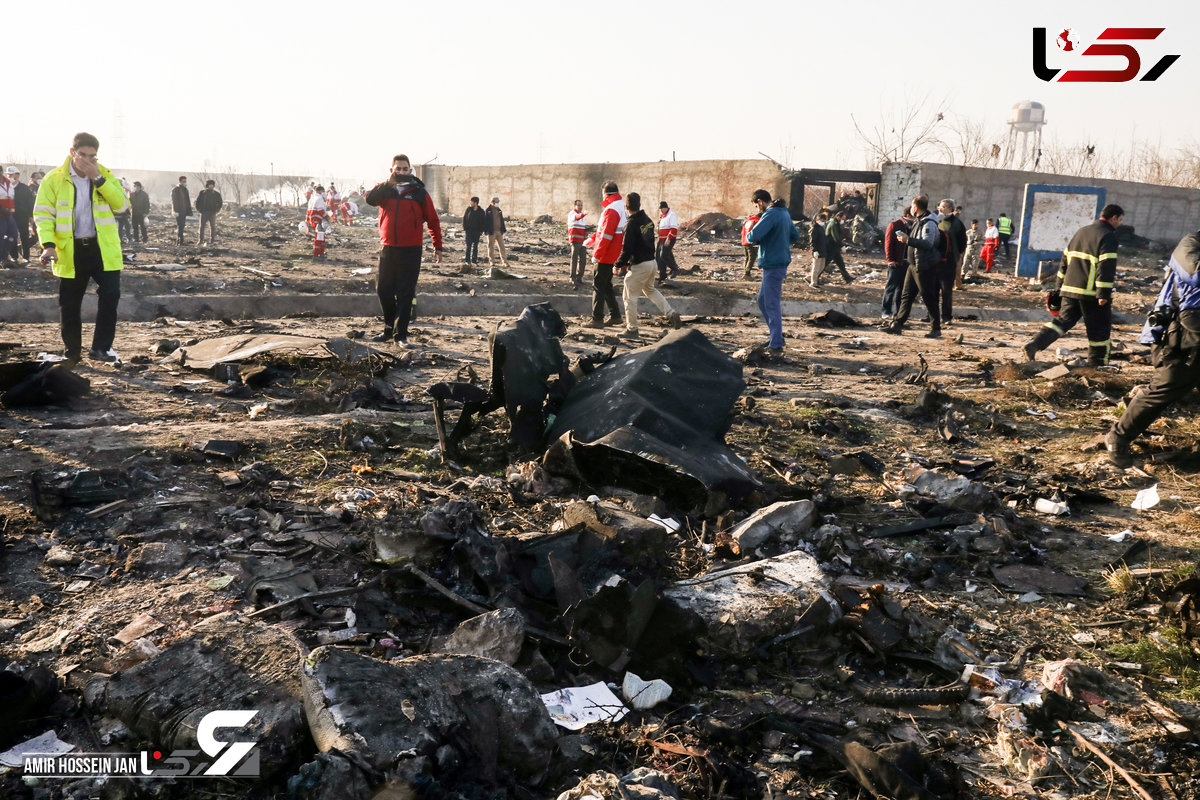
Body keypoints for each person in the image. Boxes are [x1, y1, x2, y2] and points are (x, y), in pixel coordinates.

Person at [1105, 229, 1200, 467]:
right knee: (1165, 386)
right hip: (1178, 338)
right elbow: (1196, 274)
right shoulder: (1189, 244)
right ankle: (1117, 437)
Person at [33, 132, 129, 364]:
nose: (87, 160)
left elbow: (122, 206)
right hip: (71, 250)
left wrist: (98, 179)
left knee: (111, 294)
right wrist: (48, 245)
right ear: (72, 153)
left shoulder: (104, 175)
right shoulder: (54, 179)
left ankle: (101, 348)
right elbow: (43, 215)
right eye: (83, 155)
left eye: (93, 157)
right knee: (70, 302)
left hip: (102, 249)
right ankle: (73, 352)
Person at [1021, 204, 1123, 365]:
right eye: (1119, 220)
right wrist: (1103, 293)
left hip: (1069, 289)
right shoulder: (1108, 236)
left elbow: (1065, 260)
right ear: (1114, 218)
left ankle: (1034, 345)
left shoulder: (1081, 232)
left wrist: (1059, 285)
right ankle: (1098, 364)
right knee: (1099, 330)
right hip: (1090, 294)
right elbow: (1106, 267)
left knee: (1062, 322)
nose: (1119, 223)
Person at [364, 153, 443, 346]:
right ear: (392, 170)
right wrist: (387, 183)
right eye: (397, 169)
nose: (401, 172)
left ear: (410, 170)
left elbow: (432, 220)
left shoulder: (419, 192)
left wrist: (437, 245)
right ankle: (388, 330)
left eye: (404, 169)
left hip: (411, 249)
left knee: (406, 292)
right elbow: (369, 199)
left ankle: (401, 335)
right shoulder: (385, 191)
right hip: (388, 247)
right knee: (383, 289)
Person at [614, 192, 682, 340]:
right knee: (650, 290)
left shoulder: (631, 224)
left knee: (629, 296)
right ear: (639, 205)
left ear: (626, 207)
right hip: (652, 263)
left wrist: (618, 265)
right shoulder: (648, 220)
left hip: (640, 265)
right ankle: (671, 313)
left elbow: (627, 249)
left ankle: (632, 329)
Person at [745, 189, 799, 355]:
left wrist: (750, 229)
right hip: (778, 262)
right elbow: (795, 236)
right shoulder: (784, 213)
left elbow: (752, 236)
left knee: (771, 304)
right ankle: (776, 337)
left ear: (760, 202)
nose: (757, 208)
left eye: (756, 205)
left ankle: (776, 344)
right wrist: (777, 239)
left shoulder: (771, 214)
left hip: (773, 264)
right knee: (762, 301)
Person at [883, 195, 943, 338]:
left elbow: (927, 243)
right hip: (913, 264)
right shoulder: (919, 221)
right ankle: (897, 324)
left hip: (923, 266)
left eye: (912, 205)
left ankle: (936, 328)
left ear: (916, 207)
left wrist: (907, 240)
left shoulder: (928, 223)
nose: (911, 207)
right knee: (906, 296)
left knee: (928, 296)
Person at [584, 181, 626, 329]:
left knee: (598, 285)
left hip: (606, 253)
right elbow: (607, 230)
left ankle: (597, 319)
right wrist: (593, 238)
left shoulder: (611, 209)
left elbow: (607, 234)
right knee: (606, 284)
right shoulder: (621, 206)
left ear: (605, 194)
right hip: (614, 252)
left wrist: (597, 253)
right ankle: (615, 316)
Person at [936, 198, 967, 326]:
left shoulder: (957, 224)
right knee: (932, 290)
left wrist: (954, 255)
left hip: (948, 262)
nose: (939, 209)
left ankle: (946, 316)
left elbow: (962, 244)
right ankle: (932, 315)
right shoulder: (936, 220)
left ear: (949, 208)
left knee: (946, 290)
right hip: (934, 260)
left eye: (942, 207)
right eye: (939, 207)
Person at [882, 207, 912, 318]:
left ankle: (899, 313)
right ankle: (886, 311)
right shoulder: (895, 225)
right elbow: (888, 244)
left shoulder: (913, 227)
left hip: (907, 263)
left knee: (902, 289)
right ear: (908, 215)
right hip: (895, 262)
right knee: (891, 287)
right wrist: (890, 259)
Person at [824, 210, 853, 283]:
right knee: (825, 263)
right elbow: (836, 237)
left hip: (835, 247)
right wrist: (842, 245)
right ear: (838, 217)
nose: (843, 220)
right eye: (842, 219)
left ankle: (847, 278)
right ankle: (813, 277)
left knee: (840, 263)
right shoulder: (834, 224)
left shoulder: (836, 224)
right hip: (831, 247)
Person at [656, 200, 679, 281]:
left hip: (668, 239)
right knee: (659, 257)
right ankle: (662, 275)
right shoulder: (663, 216)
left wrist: (668, 238)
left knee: (664, 255)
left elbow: (673, 228)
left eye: (662, 208)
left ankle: (675, 269)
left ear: (666, 207)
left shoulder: (672, 215)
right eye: (660, 209)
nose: (661, 210)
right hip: (661, 239)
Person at [195, 180, 223, 245]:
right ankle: (200, 240)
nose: (211, 186)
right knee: (202, 226)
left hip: (213, 213)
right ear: (207, 185)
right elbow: (197, 202)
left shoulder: (216, 194)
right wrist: (199, 210)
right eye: (210, 185)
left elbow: (220, 203)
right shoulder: (202, 193)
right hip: (204, 212)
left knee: (212, 227)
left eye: (212, 185)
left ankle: (212, 240)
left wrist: (217, 210)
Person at [567, 199, 587, 287]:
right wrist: (583, 214)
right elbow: (576, 218)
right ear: (574, 206)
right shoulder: (572, 214)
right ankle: (572, 277)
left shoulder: (582, 217)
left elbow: (582, 228)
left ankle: (579, 277)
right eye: (579, 205)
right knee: (574, 259)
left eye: (581, 205)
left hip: (582, 241)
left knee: (583, 259)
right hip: (575, 240)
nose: (580, 207)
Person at [462, 196, 486, 270]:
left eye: (471, 202)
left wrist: (481, 230)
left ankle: (474, 261)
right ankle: (467, 260)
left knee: (475, 246)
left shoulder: (481, 211)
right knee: (468, 246)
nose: (470, 203)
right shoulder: (469, 209)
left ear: (475, 203)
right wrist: (465, 228)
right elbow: (465, 218)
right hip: (469, 231)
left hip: (477, 231)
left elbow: (483, 222)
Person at [0, 168, 18, 265]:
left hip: (9, 215)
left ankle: (4, 255)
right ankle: (2, 258)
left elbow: (11, 197)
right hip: (1, 215)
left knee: (13, 235)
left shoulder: (8, 182)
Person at [306, 183, 328, 259]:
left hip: (313, 219)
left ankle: (320, 253)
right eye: (323, 191)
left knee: (319, 236)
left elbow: (308, 211)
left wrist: (308, 220)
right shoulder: (319, 199)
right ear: (320, 191)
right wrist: (328, 218)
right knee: (319, 237)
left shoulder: (312, 198)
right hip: (318, 219)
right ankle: (317, 254)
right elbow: (321, 210)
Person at [485, 196, 508, 268]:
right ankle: (491, 261)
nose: (497, 204)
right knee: (491, 247)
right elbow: (485, 221)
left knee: (502, 247)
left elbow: (501, 220)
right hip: (491, 232)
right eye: (496, 202)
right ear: (492, 202)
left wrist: (503, 229)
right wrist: (487, 231)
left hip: (499, 232)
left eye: (498, 202)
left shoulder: (499, 210)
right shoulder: (488, 211)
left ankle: (504, 262)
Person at [740, 205, 759, 280]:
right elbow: (756, 232)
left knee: (747, 258)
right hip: (751, 242)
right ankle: (747, 274)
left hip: (744, 242)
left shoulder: (748, 221)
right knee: (752, 258)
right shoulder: (756, 221)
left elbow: (742, 232)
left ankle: (746, 272)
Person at [808, 212, 827, 287]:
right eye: (822, 220)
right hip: (817, 251)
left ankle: (809, 278)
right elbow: (812, 241)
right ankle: (813, 283)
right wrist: (814, 250)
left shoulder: (821, 228)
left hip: (822, 251)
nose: (824, 222)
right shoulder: (814, 229)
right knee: (816, 268)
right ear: (818, 220)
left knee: (821, 267)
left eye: (824, 220)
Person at [171, 176, 191, 244]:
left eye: (185, 181)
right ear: (180, 181)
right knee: (180, 225)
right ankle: (180, 240)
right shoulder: (176, 189)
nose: (185, 183)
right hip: (178, 211)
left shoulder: (185, 189)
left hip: (184, 210)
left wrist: (188, 210)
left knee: (182, 225)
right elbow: (174, 201)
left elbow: (187, 201)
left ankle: (180, 240)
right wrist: (175, 211)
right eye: (183, 181)